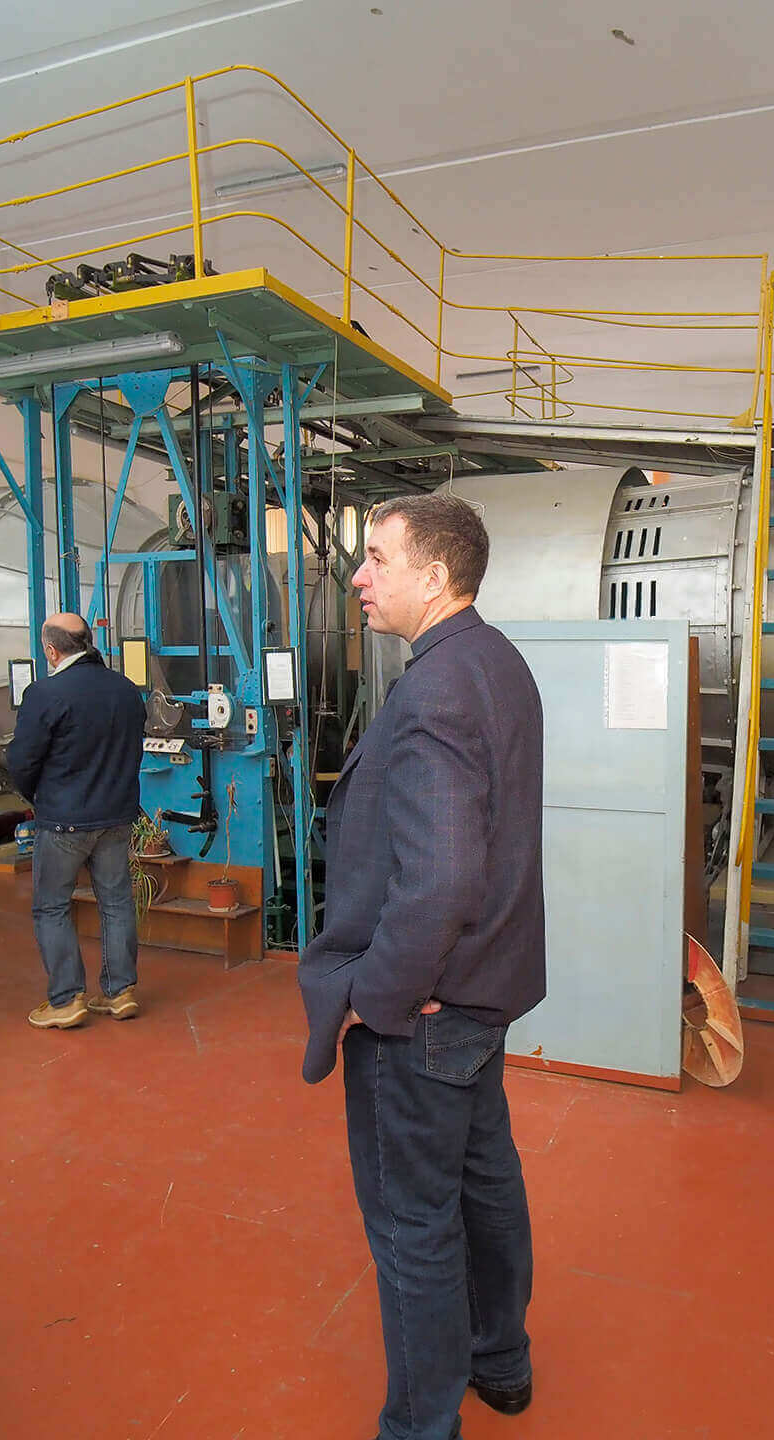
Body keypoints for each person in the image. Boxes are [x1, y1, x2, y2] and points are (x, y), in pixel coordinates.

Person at [298, 495, 546, 1440]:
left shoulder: (438, 686)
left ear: (434, 576)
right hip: (481, 994)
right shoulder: (496, 661)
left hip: (428, 1010)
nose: (358, 577)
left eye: (375, 557)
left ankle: (421, 1424)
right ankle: (501, 1359)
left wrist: (379, 996)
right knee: (485, 1182)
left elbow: (441, 876)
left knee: (415, 1224)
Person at [4, 614, 147, 1030]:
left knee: (52, 906)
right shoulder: (125, 689)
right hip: (116, 816)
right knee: (116, 903)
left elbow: (22, 761)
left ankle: (67, 999)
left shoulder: (44, 693)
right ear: (88, 641)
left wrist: (39, 798)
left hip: (64, 820)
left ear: (51, 651)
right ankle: (120, 992)